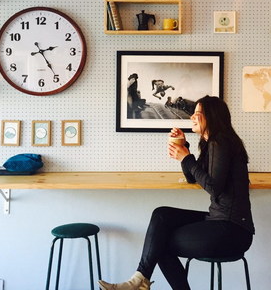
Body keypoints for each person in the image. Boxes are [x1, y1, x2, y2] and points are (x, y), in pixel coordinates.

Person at [98, 96, 255, 290]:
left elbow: (214, 188)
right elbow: (193, 178)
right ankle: (140, 278)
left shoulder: (220, 142)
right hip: (219, 221)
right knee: (162, 215)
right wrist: (184, 149)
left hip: (232, 230)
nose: (192, 118)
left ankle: (138, 281)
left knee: (159, 243)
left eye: (198, 114)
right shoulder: (211, 144)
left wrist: (187, 158)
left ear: (212, 117)